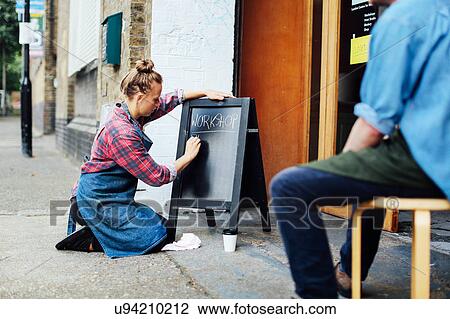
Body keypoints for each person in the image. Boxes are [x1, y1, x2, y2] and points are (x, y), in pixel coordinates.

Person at [270, 0, 450, 298]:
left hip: (431, 160)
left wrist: (344, 166)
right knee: (366, 178)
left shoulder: (402, 19)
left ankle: (318, 302)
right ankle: (349, 273)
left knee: (290, 186)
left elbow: (374, 124)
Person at [56, 59, 232, 258]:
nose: (158, 103)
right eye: (154, 99)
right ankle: (91, 240)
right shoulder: (122, 133)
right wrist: (188, 156)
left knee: (165, 227)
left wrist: (203, 92)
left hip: (114, 200)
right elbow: (157, 176)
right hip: (96, 204)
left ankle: (104, 233)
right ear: (140, 97)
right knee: (158, 235)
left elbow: (167, 101)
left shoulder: (129, 113)